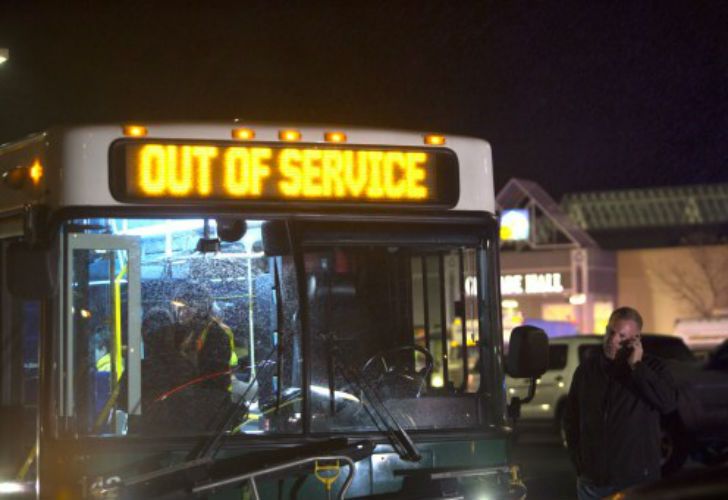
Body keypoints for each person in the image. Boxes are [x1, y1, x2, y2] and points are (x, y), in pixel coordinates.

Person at [564, 307, 678, 499]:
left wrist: (637, 367)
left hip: (635, 481)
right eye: (610, 332)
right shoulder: (587, 370)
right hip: (592, 482)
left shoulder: (653, 368)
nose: (612, 340)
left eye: (622, 336)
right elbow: (571, 418)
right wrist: (579, 461)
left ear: (636, 339)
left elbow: (667, 403)